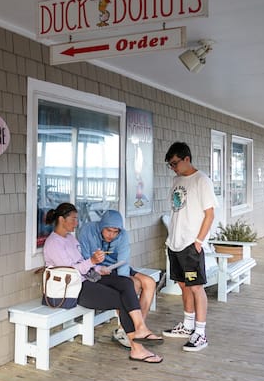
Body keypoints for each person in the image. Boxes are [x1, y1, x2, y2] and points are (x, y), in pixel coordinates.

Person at [43, 202, 163, 363]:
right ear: (61, 219)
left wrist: (99, 268)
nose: (76, 222)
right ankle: (137, 349)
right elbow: (72, 271)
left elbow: (82, 264)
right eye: (73, 219)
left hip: (89, 278)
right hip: (76, 289)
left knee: (126, 284)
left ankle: (141, 327)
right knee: (121, 299)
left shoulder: (70, 239)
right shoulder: (53, 243)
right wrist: (92, 261)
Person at [77, 210, 160, 349]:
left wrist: (122, 280)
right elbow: (84, 257)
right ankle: (125, 330)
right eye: (108, 230)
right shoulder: (88, 230)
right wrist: (99, 267)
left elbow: (123, 262)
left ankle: (138, 328)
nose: (112, 235)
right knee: (133, 285)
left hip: (116, 267)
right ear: (101, 226)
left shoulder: (123, 235)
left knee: (149, 282)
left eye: (115, 231)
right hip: (96, 271)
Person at [162, 142, 216, 352]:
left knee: (195, 287)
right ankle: (187, 325)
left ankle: (200, 333)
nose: (173, 167)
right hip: (175, 242)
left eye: (175, 163)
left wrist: (199, 241)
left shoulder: (202, 180)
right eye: (170, 164)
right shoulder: (176, 180)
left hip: (190, 244)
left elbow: (209, 214)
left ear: (186, 159)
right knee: (183, 285)